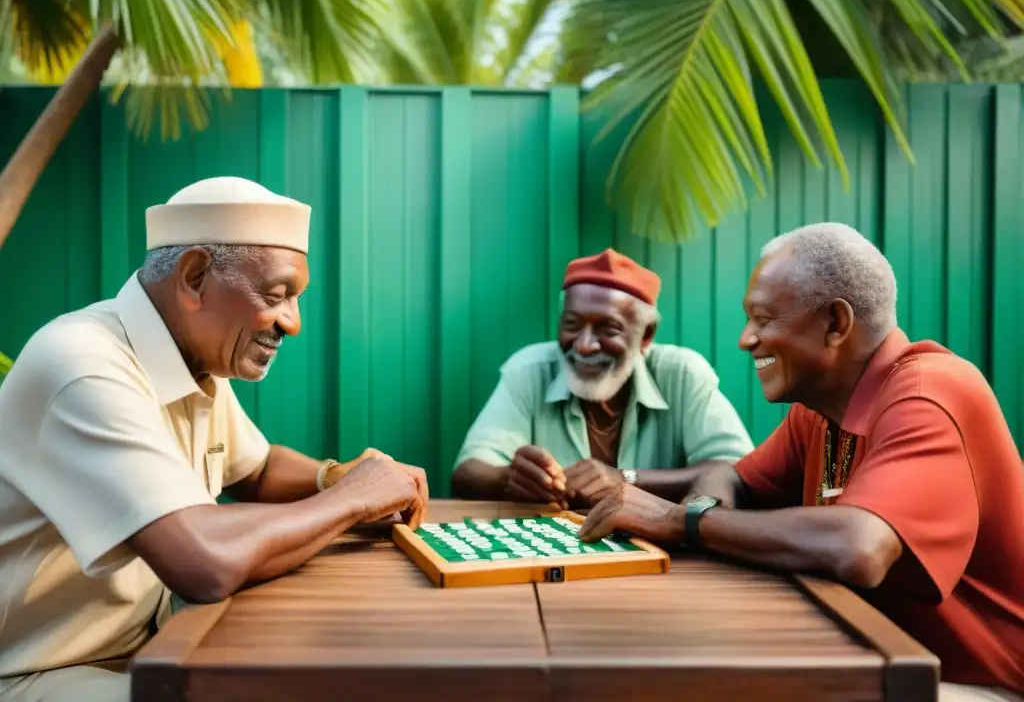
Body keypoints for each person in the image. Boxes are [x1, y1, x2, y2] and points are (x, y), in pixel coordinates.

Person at [0, 177, 429, 702]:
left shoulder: (195, 359)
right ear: (195, 276)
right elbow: (204, 563)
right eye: (277, 296)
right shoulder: (82, 365)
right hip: (36, 673)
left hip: (153, 649)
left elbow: (257, 469)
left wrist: (332, 476)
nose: (292, 323)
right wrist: (353, 497)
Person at [578, 223, 1024, 702]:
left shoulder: (927, 393)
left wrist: (682, 520)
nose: (746, 340)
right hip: (880, 657)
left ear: (835, 323)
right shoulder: (818, 411)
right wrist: (694, 508)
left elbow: (858, 548)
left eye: (763, 319)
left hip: (979, 686)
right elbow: (730, 477)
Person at [450, 248, 753, 508]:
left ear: (645, 336)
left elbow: (739, 472)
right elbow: (468, 473)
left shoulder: (682, 373)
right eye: (572, 324)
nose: (584, 344)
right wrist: (509, 479)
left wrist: (625, 480)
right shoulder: (529, 369)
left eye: (608, 329)